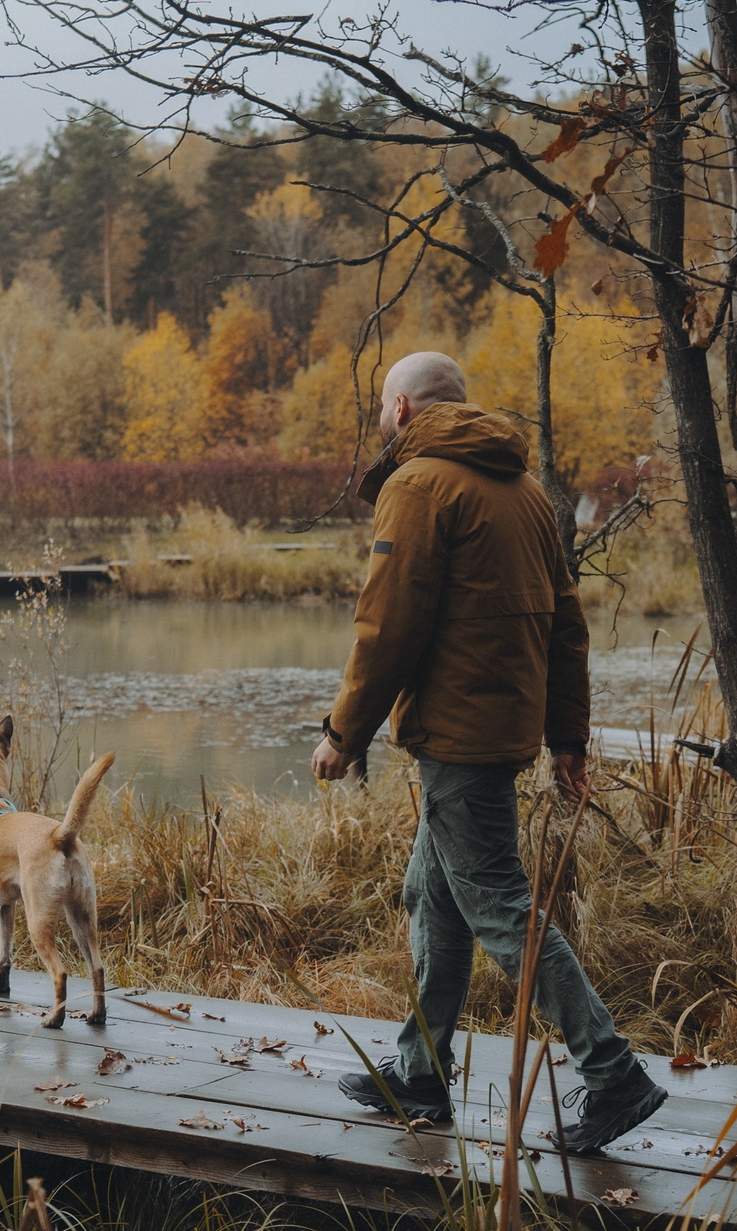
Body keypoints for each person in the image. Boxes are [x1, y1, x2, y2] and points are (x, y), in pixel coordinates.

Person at [312, 350, 668, 1155]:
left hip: (458, 739)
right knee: (431, 895)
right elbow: (568, 625)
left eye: (381, 403)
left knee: (501, 908)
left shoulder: (417, 485)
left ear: (401, 408)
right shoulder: (527, 492)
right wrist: (567, 737)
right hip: (495, 735)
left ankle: (613, 1073)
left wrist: (343, 733)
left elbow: (386, 627)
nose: (380, 415)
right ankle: (422, 1075)